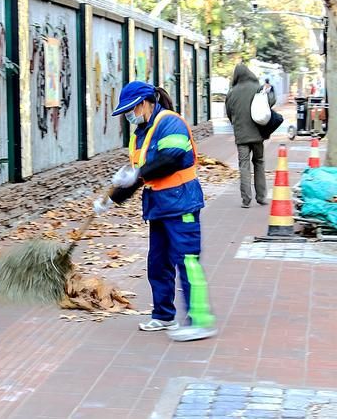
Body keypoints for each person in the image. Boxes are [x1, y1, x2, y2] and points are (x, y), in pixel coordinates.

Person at [93, 81, 217, 342]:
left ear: (143, 103)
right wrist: (112, 198)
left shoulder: (170, 122)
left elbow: (170, 158)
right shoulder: (140, 133)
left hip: (181, 203)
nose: (128, 116)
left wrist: (138, 172)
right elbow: (138, 178)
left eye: (130, 110)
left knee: (187, 261)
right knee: (158, 264)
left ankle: (201, 320)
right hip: (159, 207)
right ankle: (163, 315)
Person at [225, 64, 276, 208]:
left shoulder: (232, 92)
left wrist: (236, 124)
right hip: (258, 134)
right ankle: (261, 197)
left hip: (241, 135)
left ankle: (246, 200)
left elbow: (229, 112)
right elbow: (270, 102)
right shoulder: (258, 87)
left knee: (244, 166)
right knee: (259, 162)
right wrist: (271, 91)